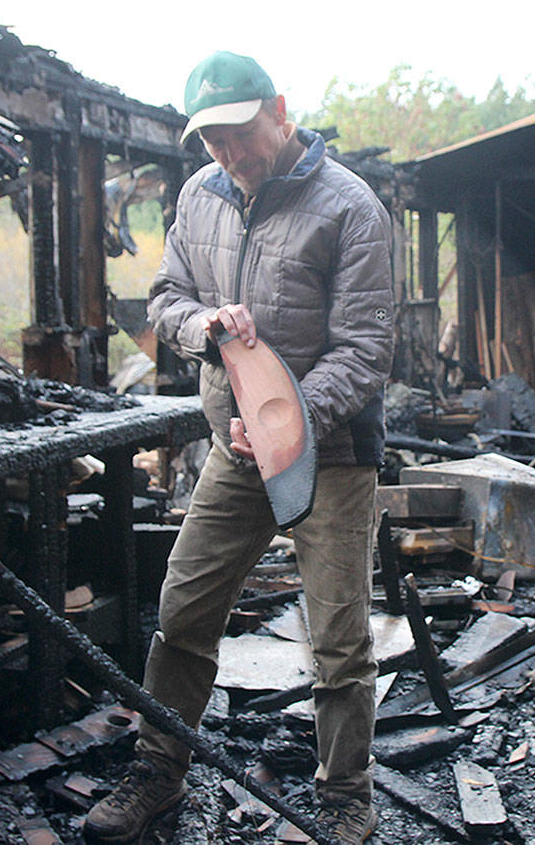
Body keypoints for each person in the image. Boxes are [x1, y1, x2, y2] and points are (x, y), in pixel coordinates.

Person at [84, 50, 394, 844]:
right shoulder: (199, 196)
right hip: (235, 449)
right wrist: (205, 326)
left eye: (240, 135)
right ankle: (158, 770)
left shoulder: (350, 207)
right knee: (183, 608)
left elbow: (364, 351)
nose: (229, 154)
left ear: (280, 112)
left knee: (338, 638)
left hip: (334, 455)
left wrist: (282, 422)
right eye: (212, 141)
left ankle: (344, 799)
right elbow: (167, 299)